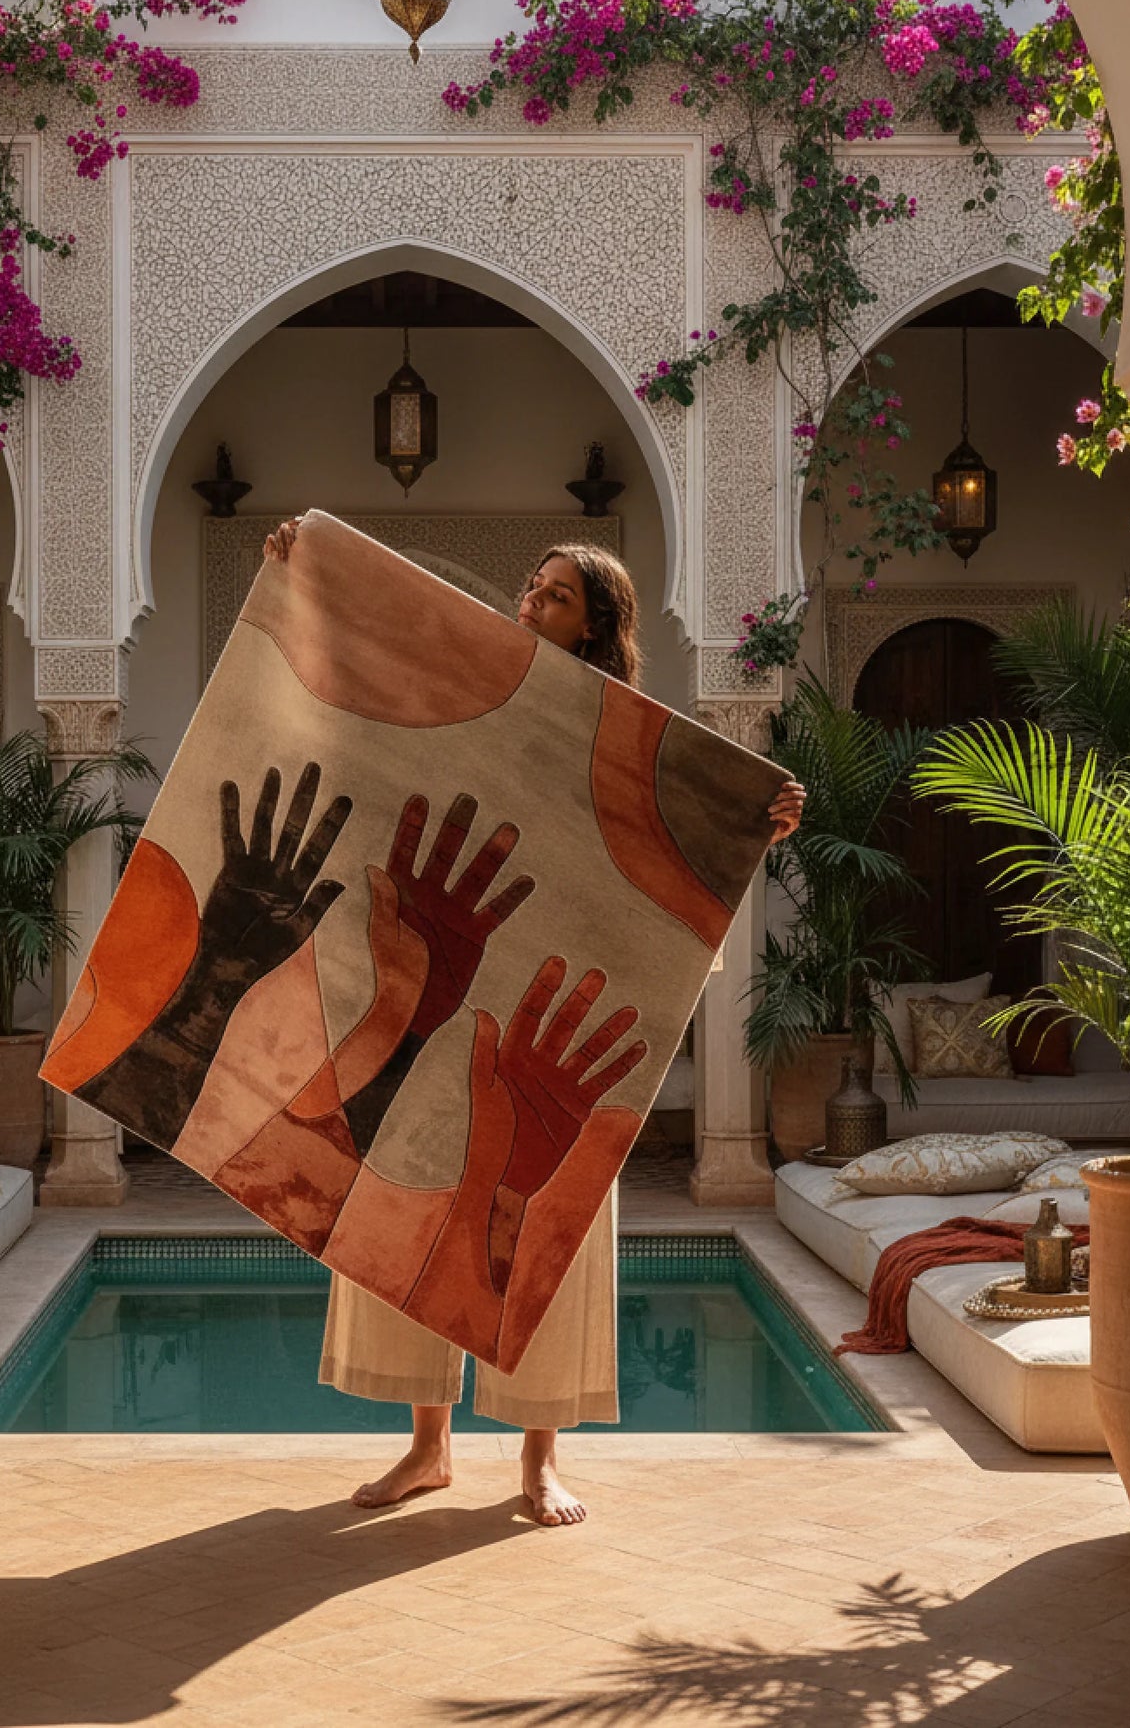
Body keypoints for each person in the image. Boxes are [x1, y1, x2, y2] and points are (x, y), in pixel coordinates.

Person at [263, 516, 806, 1525]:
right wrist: (307, 565)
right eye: (529, 585)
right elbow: (370, 690)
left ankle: (537, 1460)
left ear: (596, 628)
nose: (529, 601)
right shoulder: (470, 695)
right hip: (446, 985)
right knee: (413, 1190)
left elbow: (667, 863)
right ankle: (426, 1449)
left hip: (552, 1009)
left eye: (555, 595)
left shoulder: (626, 739)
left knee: (547, 1210)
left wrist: (753, 822)